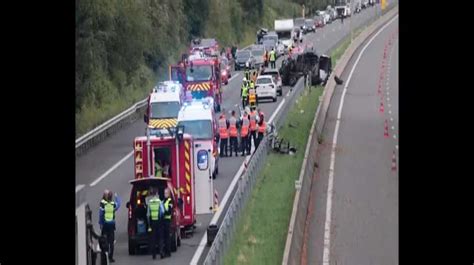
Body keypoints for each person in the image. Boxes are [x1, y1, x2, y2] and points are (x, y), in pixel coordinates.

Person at [99, 190, 121, 263]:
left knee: (104, 240)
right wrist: (117, 197)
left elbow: (101, 215)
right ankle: (111, 257)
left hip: (105, 224)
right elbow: (118, 205)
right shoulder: (113, 204)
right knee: (111, 242)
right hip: (111, 225)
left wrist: (100, 223)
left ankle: (105, 255)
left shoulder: (103, 204)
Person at [147, 188, 162, 260]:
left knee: (153, 239)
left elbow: (148, 214)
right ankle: (161, 252)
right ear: (156, 194)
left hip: (152, 222)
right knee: (160, 238)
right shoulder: (159, 201)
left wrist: (149, 224)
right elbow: (162, 211)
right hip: (158, 221)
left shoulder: (150, 202)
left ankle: (154, 255)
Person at [161, 188, 173, 258]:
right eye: (164, 193)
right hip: (163, 221)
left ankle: (168, 252)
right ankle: (165, 251)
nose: (165, 194)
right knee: (164, 237)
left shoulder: (169, 201)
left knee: (167, 237)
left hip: (167, 221)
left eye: (166, 193)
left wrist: (164, 212)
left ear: (168, 194)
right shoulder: (163, 201)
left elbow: (169, 211)